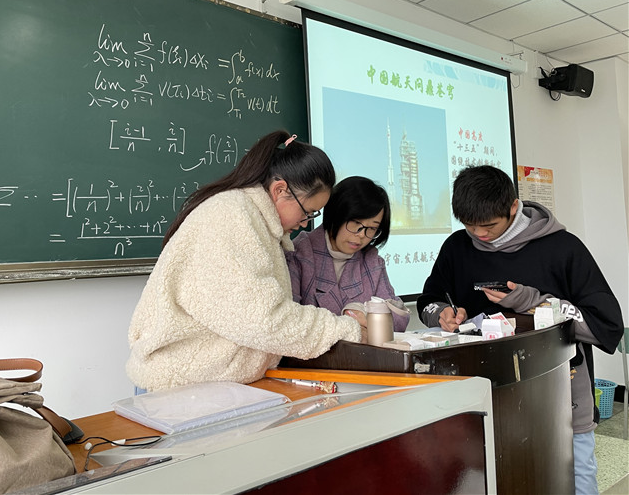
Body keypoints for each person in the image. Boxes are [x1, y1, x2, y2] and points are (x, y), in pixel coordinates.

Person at [417, 165, 623, 495]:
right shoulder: (457, 247)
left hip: (560, 393)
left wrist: (532, 302)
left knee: (576, 476)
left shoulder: (562, 247)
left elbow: (605, 325)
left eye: (488, 226)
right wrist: (441, 314)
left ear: (513, 207)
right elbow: (429, 299)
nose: (479, 234)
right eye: (469, 226)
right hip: (485, 394)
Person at [127, 131, 367, 392]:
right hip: (180, 390)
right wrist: (346, 330)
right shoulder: (230, 216)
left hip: (205, 386)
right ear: (280, 190)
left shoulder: (254, 219)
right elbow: (264, 319)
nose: (305, 223)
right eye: (307, 212)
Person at [286, 176, 409, 331]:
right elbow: (290, 321)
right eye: (356, 223)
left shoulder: (371, 261)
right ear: (335, 214)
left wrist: (365, 314)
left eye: (372, 228)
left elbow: (400, 317)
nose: (361, 235)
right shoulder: (298, 254)